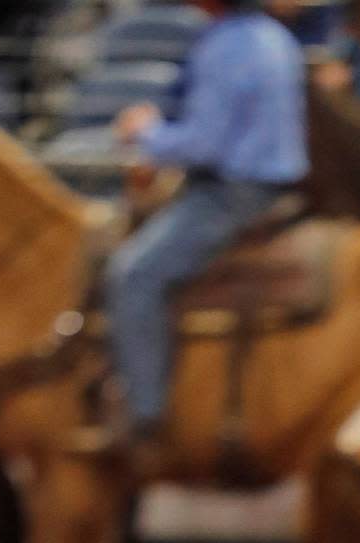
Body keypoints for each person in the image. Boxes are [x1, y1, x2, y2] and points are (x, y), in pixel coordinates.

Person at [102, 0, 309, 447]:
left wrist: (146, 132)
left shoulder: (226, 46)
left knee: (132, 274)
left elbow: (205, 145)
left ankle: (144, 413)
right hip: (272, 185)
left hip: (229, 193)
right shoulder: (273, 36)